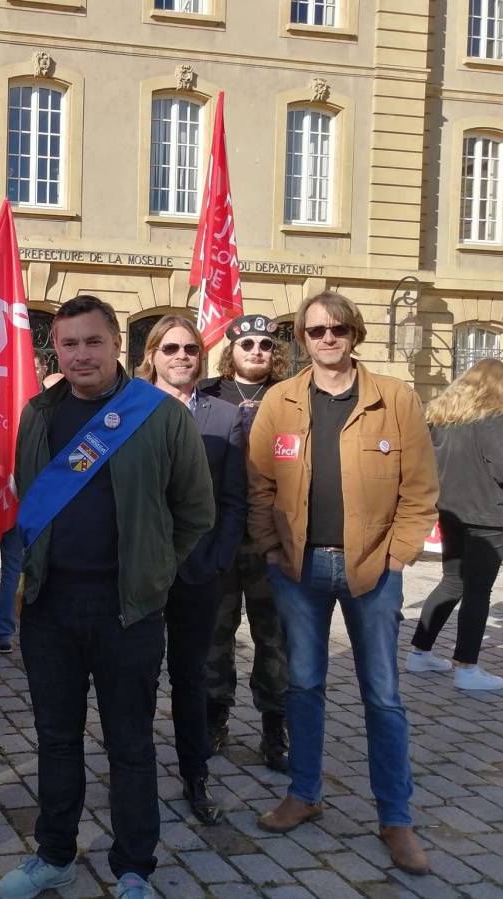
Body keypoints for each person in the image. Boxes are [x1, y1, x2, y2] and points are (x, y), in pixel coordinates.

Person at [0, 296, 212, 899]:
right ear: (55, 350)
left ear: (117, 344)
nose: (81, 354)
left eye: (93, 342)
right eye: (69, 344)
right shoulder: (38, 414)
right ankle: (55, 854)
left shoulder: (159, 416)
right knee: (56, 738)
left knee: (131, 743)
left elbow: (196, 511)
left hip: (128, 610)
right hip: (49, 608)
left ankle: (134, 868)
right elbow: (32, 504)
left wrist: (153, 571)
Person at [248, 291, 438, 876]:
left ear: (354, 334)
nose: (326, 339)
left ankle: (396, 817)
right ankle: (304, 793)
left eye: (337, 329)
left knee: (382, 694)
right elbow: (259, 484)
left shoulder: (395, 398)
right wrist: (275, 551)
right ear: (301, 340)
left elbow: (421, 490)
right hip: (300, 571)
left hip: (373, 570)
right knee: (303, 685)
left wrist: (400, 557)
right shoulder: (280, 401)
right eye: (314, 331)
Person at [138, 315, 245, 826]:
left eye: (191, 349)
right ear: (153, 354)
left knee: (191, 678)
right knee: (134, 677)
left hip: (200, 572)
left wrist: (219, 557)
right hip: (139, 573)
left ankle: (195, 774)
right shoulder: (127, 409)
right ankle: (133, 775)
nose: (182, 356)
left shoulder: (226, 417)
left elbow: (234, 498)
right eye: (171, 348)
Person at [198, 315, 291, 771]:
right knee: (215, 630)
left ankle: (276, 726)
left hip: (272, 535)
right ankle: (215, 717)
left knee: (274, 635)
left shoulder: (291, 396)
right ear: (230, 349)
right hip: (218, 532)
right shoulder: (207, 394)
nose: (257, 350)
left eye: (266, 344)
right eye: (247, 343)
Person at [408, 358, 503, 690]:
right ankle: (467, 668)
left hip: (451, 511)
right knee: (478, 591)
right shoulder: (494, 420)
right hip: (488, 515)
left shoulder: (443, 418)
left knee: (452, 582)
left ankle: (420, 652)